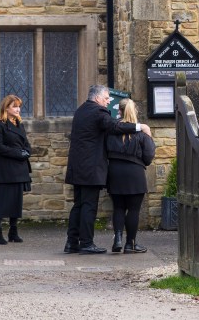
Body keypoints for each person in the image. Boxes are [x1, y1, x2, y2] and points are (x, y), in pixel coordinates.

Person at [64, 84, 149, 254]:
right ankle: (86, 243)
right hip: (90, 169)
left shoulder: (81, 110)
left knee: (78, 205)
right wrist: (139, 127)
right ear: (97, 98)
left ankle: (72, 243)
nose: (108, 101)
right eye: (106, 98)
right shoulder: (98, 112)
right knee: (88, 206)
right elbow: (114, 127)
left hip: (77, 167)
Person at [106, 98, 155, 253]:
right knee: (133, 210)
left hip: (114, 172)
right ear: (135, 112)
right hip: (135, 174)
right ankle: (130, 244)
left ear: (119, 111)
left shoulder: (111, 131)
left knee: (118, 208)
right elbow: (148, 157)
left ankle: (118, 240)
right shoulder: (142, 133)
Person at [0, 95, 32, 245]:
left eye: (19, 106)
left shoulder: (19, 124)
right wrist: (18, 153)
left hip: (20, 168)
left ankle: (13, 231)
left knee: (16, 201)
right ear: (6, 108)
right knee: (0, 202)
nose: (18, 109)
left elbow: (25, 143)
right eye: (14, 106)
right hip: (6, 168)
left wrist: (27, 151)